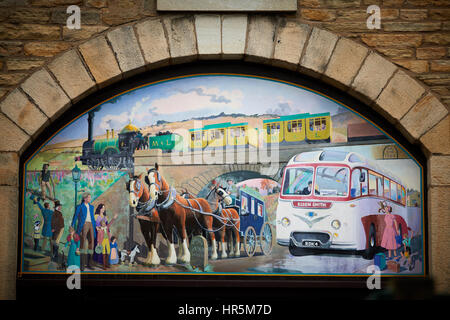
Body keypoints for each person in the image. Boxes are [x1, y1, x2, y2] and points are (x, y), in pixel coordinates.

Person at [71, 192, 96, 271]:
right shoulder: (80, 206)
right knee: (82, 244)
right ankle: (82, 265)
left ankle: (89, 264)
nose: (90, 199)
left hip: (91, 225)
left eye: (90, 197)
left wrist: (95, 226)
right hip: (83, 225)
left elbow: (92, 218)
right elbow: (75, 217)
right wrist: (72, 226)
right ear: (85, 198)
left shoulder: (91, 207)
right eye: (89, 197)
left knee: (91, 244)